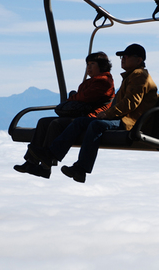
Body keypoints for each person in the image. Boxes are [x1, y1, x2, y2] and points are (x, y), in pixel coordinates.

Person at [28, 44, 158, 183]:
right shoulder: (131, 76)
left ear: (138, 60)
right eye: (122, 56)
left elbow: (131, 102)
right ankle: (53, 155)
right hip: (124, 118)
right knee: (80, 122)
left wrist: (107, 114)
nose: (122, 59)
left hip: (131, 122)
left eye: (126, 56)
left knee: (96, 125)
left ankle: (80, 167)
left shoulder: (139, 76)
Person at [14, 51, 115, 179]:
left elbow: (85, 97)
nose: (89, 68)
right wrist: (75, 98)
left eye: (92, 64)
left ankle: (45, 165)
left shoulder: (104, 81)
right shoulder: (91, 82)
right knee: (43, 122)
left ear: (102, 65)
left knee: (56, 124)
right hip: (82, 114)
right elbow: (81, 97)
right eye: (87, 64)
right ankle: (31, 161)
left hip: (90, 117)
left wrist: (73, 97)